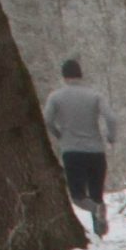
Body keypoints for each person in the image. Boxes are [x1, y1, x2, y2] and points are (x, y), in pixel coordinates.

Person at [43, 58, 114, 237]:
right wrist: (111, 137)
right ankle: (99, 232)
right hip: (96, 151)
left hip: (72, 150)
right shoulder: (95, 95)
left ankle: (97, 209)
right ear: (80, 75)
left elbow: (47, 119)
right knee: (96, 192)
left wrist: (58, 134)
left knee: (78, 196)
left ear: (64, 76)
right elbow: (111, 118)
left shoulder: (56, 97)